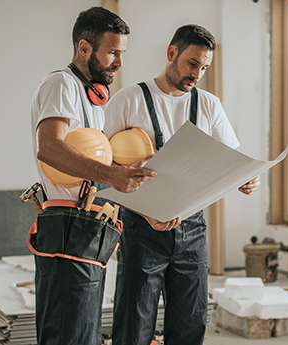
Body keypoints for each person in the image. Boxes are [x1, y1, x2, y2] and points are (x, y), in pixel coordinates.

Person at [104, 24, 261, 345]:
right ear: (171, 53)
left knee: (190, 322)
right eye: (192, 63)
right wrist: (147, 213)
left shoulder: (209, 105)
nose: (197, 74)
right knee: (133, 324)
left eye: (204, 67)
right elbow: (103, 170)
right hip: (142, 229)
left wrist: (247, 178)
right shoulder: (127, 100)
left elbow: (231, 159)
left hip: (193, 230)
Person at [30, 7, 156, 345]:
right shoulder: (62, 84)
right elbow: (50, 149)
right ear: (84, 48)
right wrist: (112, 174)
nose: (119, 63)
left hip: (89, 226)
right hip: (67, 226)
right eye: (113, 52)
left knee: (83, 331)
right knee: (67, 333)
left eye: (122, 53)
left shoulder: (96, 99)